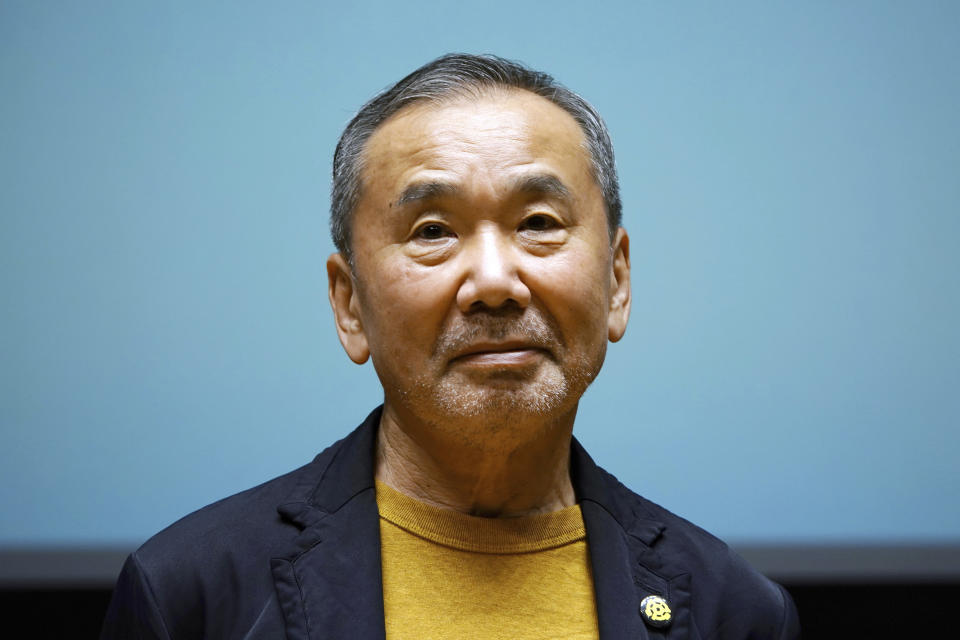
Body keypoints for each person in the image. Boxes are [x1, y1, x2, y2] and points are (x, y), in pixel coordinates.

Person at [101, 53, 800, 640]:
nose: (494, 282)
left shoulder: (733, 612)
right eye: (433, 231)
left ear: (617, 281)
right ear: (350, 305)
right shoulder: (190, 596)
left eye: (538, 221)